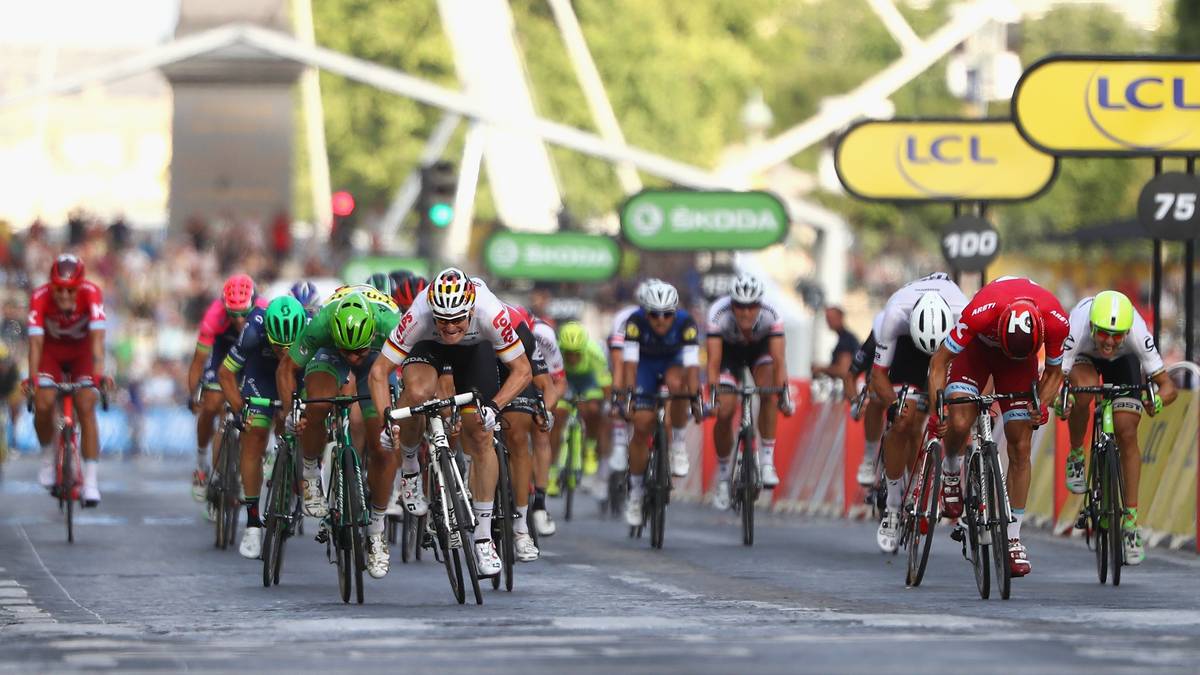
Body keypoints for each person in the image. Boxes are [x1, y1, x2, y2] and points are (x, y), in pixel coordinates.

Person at [368, 268, 532, 579]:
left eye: (458, 319)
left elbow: (522, 371)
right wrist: (386, 421)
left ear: (471, 309)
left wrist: (495, 407)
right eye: (443, 320)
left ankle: (484, 539)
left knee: (482, 435)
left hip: (475, 353)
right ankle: (411, 469)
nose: (450, 327)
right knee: (417, 393)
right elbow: (378, 372)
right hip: (427, 350)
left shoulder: (489, 311)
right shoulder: (419, 314)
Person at [928, 276, 1070, 577]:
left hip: (1020, 364)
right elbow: (939, 362)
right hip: (976, 352)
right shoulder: (981, 311)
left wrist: (1040, 405)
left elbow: (1055, 374)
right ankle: (952, 470)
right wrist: (937, 410)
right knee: (960, 418)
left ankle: (1014, 537)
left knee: (1020, 445)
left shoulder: (1056, 320)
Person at [276, 284, 402, 579]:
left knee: (384, 447)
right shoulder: (322, 325)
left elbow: (412, 370)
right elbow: (286, 369)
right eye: (350, 352)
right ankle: (309, 474)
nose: (353, 359)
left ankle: (376, 531)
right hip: (327, 352)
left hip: (379, 358)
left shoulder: (390, 324)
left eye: (358, 352)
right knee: (316, 406)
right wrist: (291, 412)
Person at [1059, 290, 1177, 565]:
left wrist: (1156, 402)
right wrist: (1059, 400)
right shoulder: (1077, 326)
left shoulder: (1137, 331)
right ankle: (1077, 454)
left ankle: (1131, 524)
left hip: (1124, 364)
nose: (1110, 342)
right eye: (1103, 334)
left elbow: (1168, 386)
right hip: (1083, 360)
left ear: (1126, 331)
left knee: (1126, 431)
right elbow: (1056, 377)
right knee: (1083, 392)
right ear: (1091, 327)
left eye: (1116, 335)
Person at [869, 274, 966, 553]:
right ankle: (893, 506)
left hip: (949, 348)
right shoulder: (895, 313)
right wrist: (894, 405)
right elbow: (878, 376)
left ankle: (949, 471)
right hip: (908, 349)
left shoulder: (963, 311)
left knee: (956, 413)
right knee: (902, 419)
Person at [218, 295, 308, 559]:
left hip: (298, 372)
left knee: (296, 421)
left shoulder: (312, 328)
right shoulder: (254, 329)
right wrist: (238, 410)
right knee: (254, 434)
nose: (284, 352)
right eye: (279, 346)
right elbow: (226, 373)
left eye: (289, 346)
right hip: (261, 374)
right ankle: (253, 523)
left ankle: (292, 471)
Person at [705, 274, 793, 510]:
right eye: (740, 307)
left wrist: (784, 394)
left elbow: (779, 360)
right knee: (724, 411)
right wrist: (712, 395)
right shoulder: (717, 313)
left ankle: (766, 461)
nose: (746, 313)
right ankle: (724, 477)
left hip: (759, 352)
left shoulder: (772, 313)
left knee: (768, 391)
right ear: (731, 304)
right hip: (728, 354)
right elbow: (713, 362)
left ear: (760, 304)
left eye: (752, 306)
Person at [27, 254, 109, 505]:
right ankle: (48, 456)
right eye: (59, 290)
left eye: (71, 291)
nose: (64, 296)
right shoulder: (39, 297)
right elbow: (36, 343)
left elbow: (97, 342)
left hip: (81, 353)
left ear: (80, 286)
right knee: (43, 402)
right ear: (51, 286)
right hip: (51, 353)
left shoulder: (92, 293)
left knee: (86, 404)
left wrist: (98, 376)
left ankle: (92, 481)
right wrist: (32, 379)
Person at [618, 281, 701, 527]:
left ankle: (677, 442)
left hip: (673, 363)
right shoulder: (634, 322)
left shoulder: (686, 323)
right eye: (654, 314)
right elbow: (630, 365)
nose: (661, 321)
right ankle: (635, 493)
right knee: (642, 424)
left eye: (667, 315)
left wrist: (694, 397)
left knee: (678, 386)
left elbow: (692, 367)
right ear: (646, 312)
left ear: (675, 313)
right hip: (645, 365)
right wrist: (630, 397)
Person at [187, 274, 267, 501]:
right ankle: (202, 465)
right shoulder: (213, 316)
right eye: (234, 315)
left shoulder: (265, 310)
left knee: (252, 408)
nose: (240, 320)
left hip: (250, 356)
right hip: (223, 353)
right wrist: (194, 395)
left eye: (244, 314)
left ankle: (244, 466)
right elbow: (198, 362)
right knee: (212, 404)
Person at [606, 279, 660, 478]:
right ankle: (620, 441)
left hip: (654, 360)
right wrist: (619, 396)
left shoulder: (666, 318)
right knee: (623, 387)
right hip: (627, 357)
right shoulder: (626, 318)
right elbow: (620, 362)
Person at [553, 321, 612, 499]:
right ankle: (553, 471)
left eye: (576, 353)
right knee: (557, 416)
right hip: (566, 381)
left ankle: (590, 449)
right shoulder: (555, 352)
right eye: (568, 353)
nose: (571, 358)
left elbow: (605, 385)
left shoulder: (595, 353)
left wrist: (607, 405)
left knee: (593, 409)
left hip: (589, 382)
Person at [529, 311, 566, 540]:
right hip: (506, 375)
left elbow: (559, 381)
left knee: (541, 432)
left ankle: (540, 504)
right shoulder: (493, 333)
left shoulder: (543, 335)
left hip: (541, 380)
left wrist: (546, 408)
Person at [812, 306, 859, 382]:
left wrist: (821, 369)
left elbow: (844, 370)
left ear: (840, 317)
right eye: (827, 318)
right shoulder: (845, 338)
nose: (829, 321)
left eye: (831, 318)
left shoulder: (846, 341)